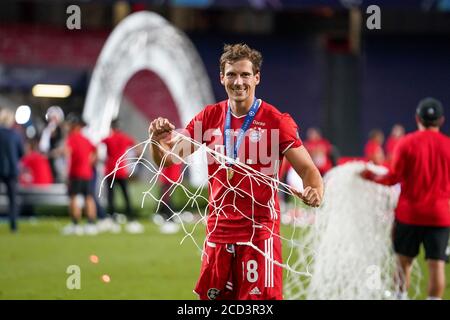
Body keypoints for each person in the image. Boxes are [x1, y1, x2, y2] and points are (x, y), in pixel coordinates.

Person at [148, 44, 323, 300]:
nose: (238, 82)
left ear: (256, 78)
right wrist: (155, 140)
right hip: (218, 233)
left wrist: (315, 190)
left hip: (259, 234)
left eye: (244, 74)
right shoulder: (209, 116)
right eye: (231, 75)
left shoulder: (276, 121)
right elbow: (168, 160)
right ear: (222, 78)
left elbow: (308, 169)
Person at [361, 97, 450, 300]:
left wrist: (369, 176)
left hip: (409, 214)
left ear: (417, 118)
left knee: (403, 263)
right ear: (441, 120)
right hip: (440, 215)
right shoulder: (448, 145)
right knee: (437, 266)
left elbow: (392, 177)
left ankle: (400, 297)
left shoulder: (406, 143)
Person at [101, 119, 143, 234]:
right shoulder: (124, 137)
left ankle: (112, 219)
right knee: (126, 196)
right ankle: (131, 219)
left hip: (110, 170)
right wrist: (136, 160)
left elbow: (97, 145)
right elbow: (138, 147)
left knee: (111, 197)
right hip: (121, 170)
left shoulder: (108, 138)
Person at [62, 114, 97, 236]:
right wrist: (90, 162)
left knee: (73, 198)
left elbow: (67, 154)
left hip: (75, 173)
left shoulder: (71, 139)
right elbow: (95, 151)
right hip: (87, 173)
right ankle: (91, 224)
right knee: (89, 198)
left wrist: (65, 172)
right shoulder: (86, 139)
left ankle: (75, 225)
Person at [0, 108, 24, 232]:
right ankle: (13, 226)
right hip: (12, 170)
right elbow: (21, 152)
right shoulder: (15, 134)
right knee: (13, 199)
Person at [39, 106, 65, 182]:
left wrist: (52, 153)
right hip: (47, 159)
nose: (53, 120)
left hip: (57, 160)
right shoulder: (46, 129)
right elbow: (42, 145)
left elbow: (62, 147)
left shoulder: (61, 130)